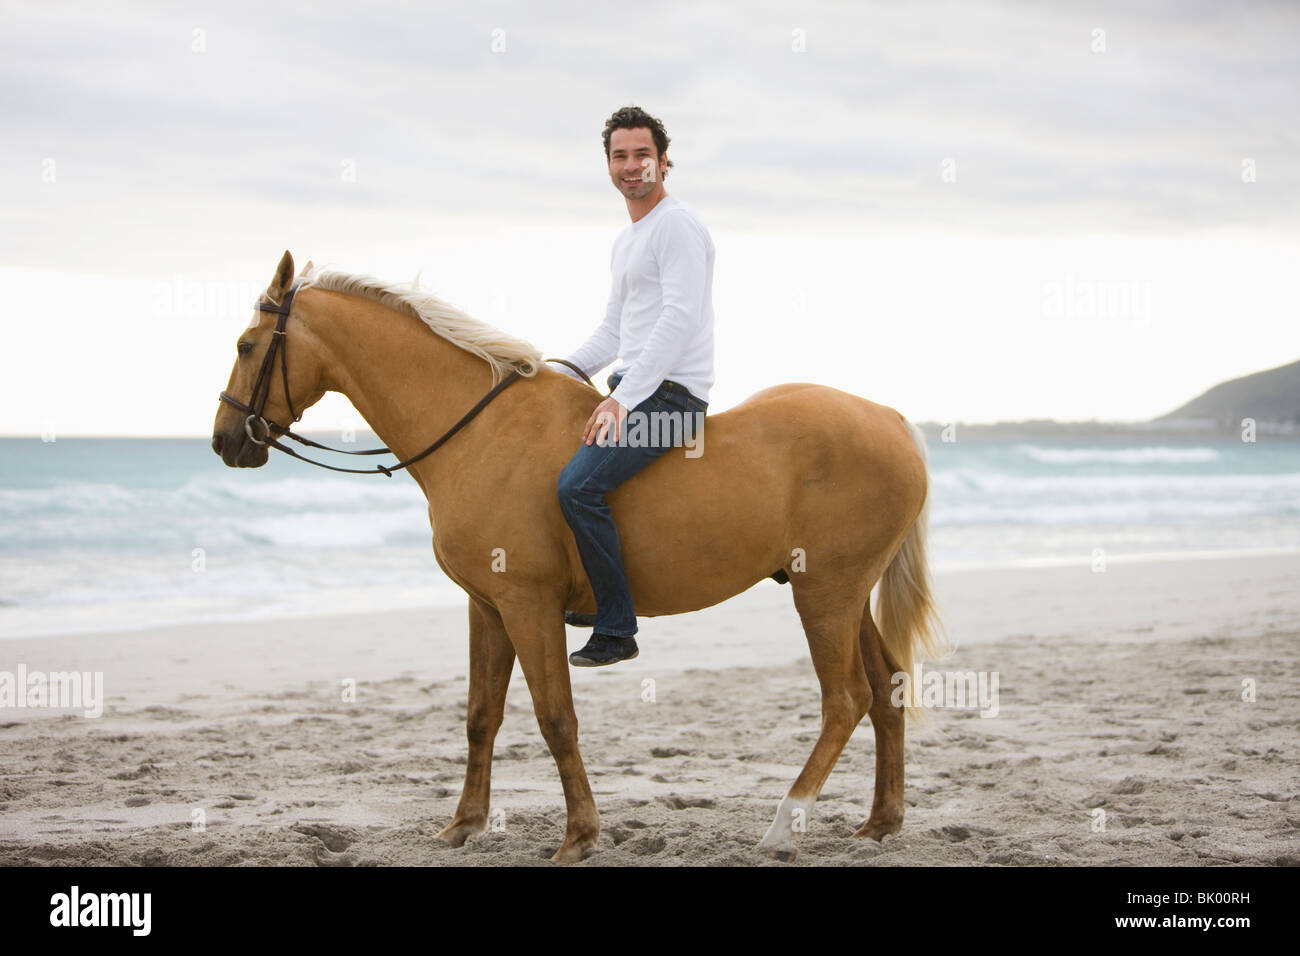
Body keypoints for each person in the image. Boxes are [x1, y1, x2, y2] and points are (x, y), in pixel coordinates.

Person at [555, 105, 716, 667]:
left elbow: (678, 319)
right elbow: (613, 331)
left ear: (664, 162)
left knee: (578, 488)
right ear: (608, 165)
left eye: (642, 155)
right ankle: (587, 589)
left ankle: (617, 626)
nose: (632, 166)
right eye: (620, 156)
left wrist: (621, 399)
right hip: (637, 384)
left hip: (674, 398)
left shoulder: (676, 226)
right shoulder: (627, 241)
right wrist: (561, 371)